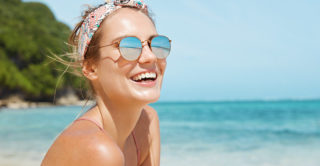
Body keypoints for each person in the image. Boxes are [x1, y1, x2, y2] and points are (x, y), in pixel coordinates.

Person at [41, 0, 171, 165]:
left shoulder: (148, 122)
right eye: (128, 46)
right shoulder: (98, 150)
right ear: (91, 68)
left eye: (155, 45)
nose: (151, 57)